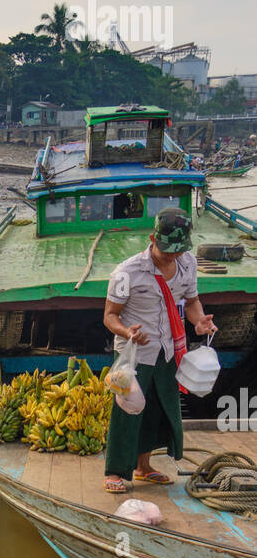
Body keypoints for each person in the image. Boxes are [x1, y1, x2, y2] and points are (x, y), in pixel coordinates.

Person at [102, 207, 214, 493]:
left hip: (167, 351)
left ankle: (144, 467)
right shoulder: (127, 272)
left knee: (157, 408)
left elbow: (191, 302)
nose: (172, 257)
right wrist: (128, 332)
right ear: (152, 238)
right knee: (128, 410)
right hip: (134, 353)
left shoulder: (187, 263)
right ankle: (115, 471)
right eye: (167, 252)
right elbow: (110, 316)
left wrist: (199, 321)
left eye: (178, 252)